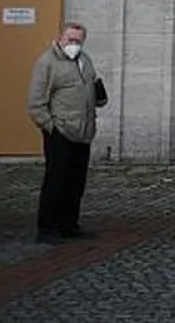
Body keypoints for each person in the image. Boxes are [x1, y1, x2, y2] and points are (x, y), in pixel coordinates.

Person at [26, 22, 108, 244]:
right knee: (56, 180)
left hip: (83, 131)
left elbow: (92, 85)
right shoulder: (47, 63)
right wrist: (51, 127)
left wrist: (99, 96)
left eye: (78, 40)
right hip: (60, 131)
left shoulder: (85, 60)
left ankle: (69, 224)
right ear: (61, 38)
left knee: (76, 181)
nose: (73, 44)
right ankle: (48, 227)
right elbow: (35, 103)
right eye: (70, 39)